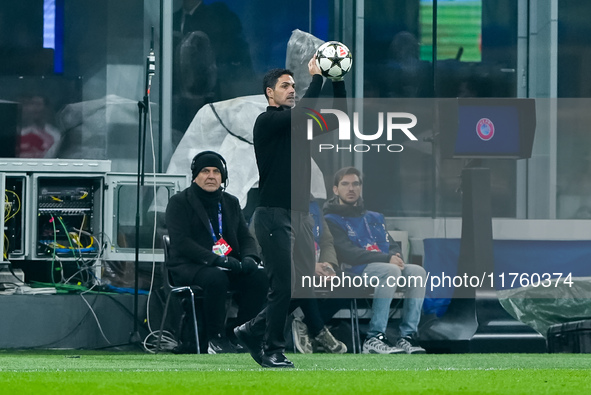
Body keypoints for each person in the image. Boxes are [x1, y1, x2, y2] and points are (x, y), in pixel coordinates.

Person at [233, 57, 347, 368]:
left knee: (303, 287)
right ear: (269, 93)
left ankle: (253, 329)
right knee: (283, 286)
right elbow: (303, 112)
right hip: (273, 215)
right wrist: (317, 80)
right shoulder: (267, 122)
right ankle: (273, 349)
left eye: (295, 86)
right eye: (286, 86)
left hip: (302, 215)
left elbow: (340, 117)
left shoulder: (302, 126)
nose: (292, 90)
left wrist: (337, 78)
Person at [165, 151, 268, 354]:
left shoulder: (230, 202)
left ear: (223, 177)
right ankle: (216, 337)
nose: (211, 176)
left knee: (259, 277)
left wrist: (250, 258)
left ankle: (240, 333)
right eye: (205, 171)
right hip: (189, 265)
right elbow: (182, 242)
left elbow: (245, 236)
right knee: (216, 278)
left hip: (225, 264)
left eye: (216, 172)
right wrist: (215, 259)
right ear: (195, 175)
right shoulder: (179, 202)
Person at [323, 166, 427, 354]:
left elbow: (391, 243)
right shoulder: (331, 219)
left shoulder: (375, 217)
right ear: (335, 190)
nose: (351, 188)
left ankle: (407, 336)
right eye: (345, 184)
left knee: (418, 272)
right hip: (354, 271)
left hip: (384, 266)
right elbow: (349, 253)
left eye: (355, 184)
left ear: (361, 188)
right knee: (391, 270)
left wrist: (397, 257)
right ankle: (374, 337)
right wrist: (388, 259)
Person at [291, 199, 348, 354]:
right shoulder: (277, 204)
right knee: (304, 281)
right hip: (291, 266)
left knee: (349, 283)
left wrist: (328, 264)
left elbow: (326, 242)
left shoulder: (314, 207)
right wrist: (309, 266)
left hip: (317, 265)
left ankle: (305, 323)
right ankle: (318, 330)